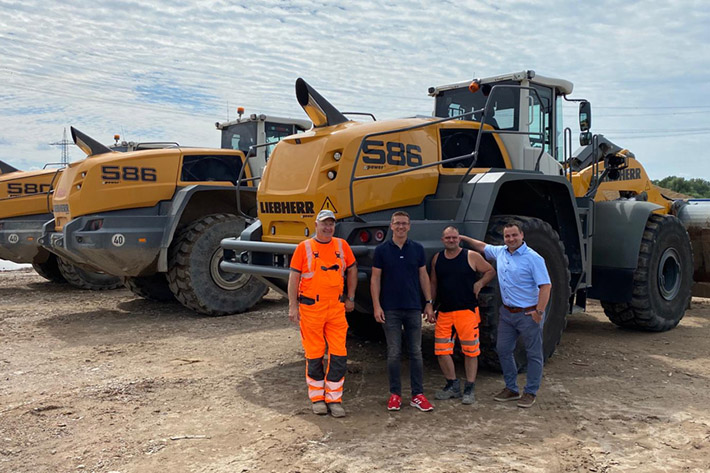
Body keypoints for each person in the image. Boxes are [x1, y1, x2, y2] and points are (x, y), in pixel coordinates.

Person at [460, 221, 552, 408]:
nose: (510, 239)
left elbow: (546, 286)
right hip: (507, 314)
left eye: (514, 235)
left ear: (522, 235)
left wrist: (539, 312)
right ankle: (511, 388)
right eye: (507, 236)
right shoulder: (501, 252)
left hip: (528, 313)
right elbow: (482, 246)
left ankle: (530, 392)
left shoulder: (533, 258)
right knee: (503, 350)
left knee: (533, 354)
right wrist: (463, 238)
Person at [288, 209, 357, 418]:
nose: (328, 228)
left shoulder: (341, 246)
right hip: (311, 309)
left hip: (336, 309)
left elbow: (352, 269)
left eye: (331, 224)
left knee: (339, 354)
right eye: (324, 224)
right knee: (314, 353)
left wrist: (351, 297)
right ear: (316, 224)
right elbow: (294, 278)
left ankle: (334, 400)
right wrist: (293, 306)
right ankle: (317, 398)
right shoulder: (304, 247)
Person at [370, 211, 435, 412]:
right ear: (391, 226)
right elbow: (375, 279)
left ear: (409, 226)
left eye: (404, 224)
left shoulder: (417, 249)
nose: (400, 227)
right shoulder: (381, 250)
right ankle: (395, 395)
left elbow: (423, 276)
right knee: (394, 353)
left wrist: (429, 302)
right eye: (397, 223)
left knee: (416, 352)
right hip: (390, 309)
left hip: (413, 307)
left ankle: (418, 394)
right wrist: (376, 306)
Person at [430, 226, 495, 405]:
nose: (451, 240)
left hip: (467, 312)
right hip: (444, 312)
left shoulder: (470, 256)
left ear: (459, 239)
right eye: (448, 238)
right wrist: (430, 304)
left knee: (470, 351)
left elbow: (490, 271)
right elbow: (433, 283)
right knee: (442, 351)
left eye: (454, 237)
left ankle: (470, 387)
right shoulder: (437, 259)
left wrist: (480, 283)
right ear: (443, 240)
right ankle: (452, 384)